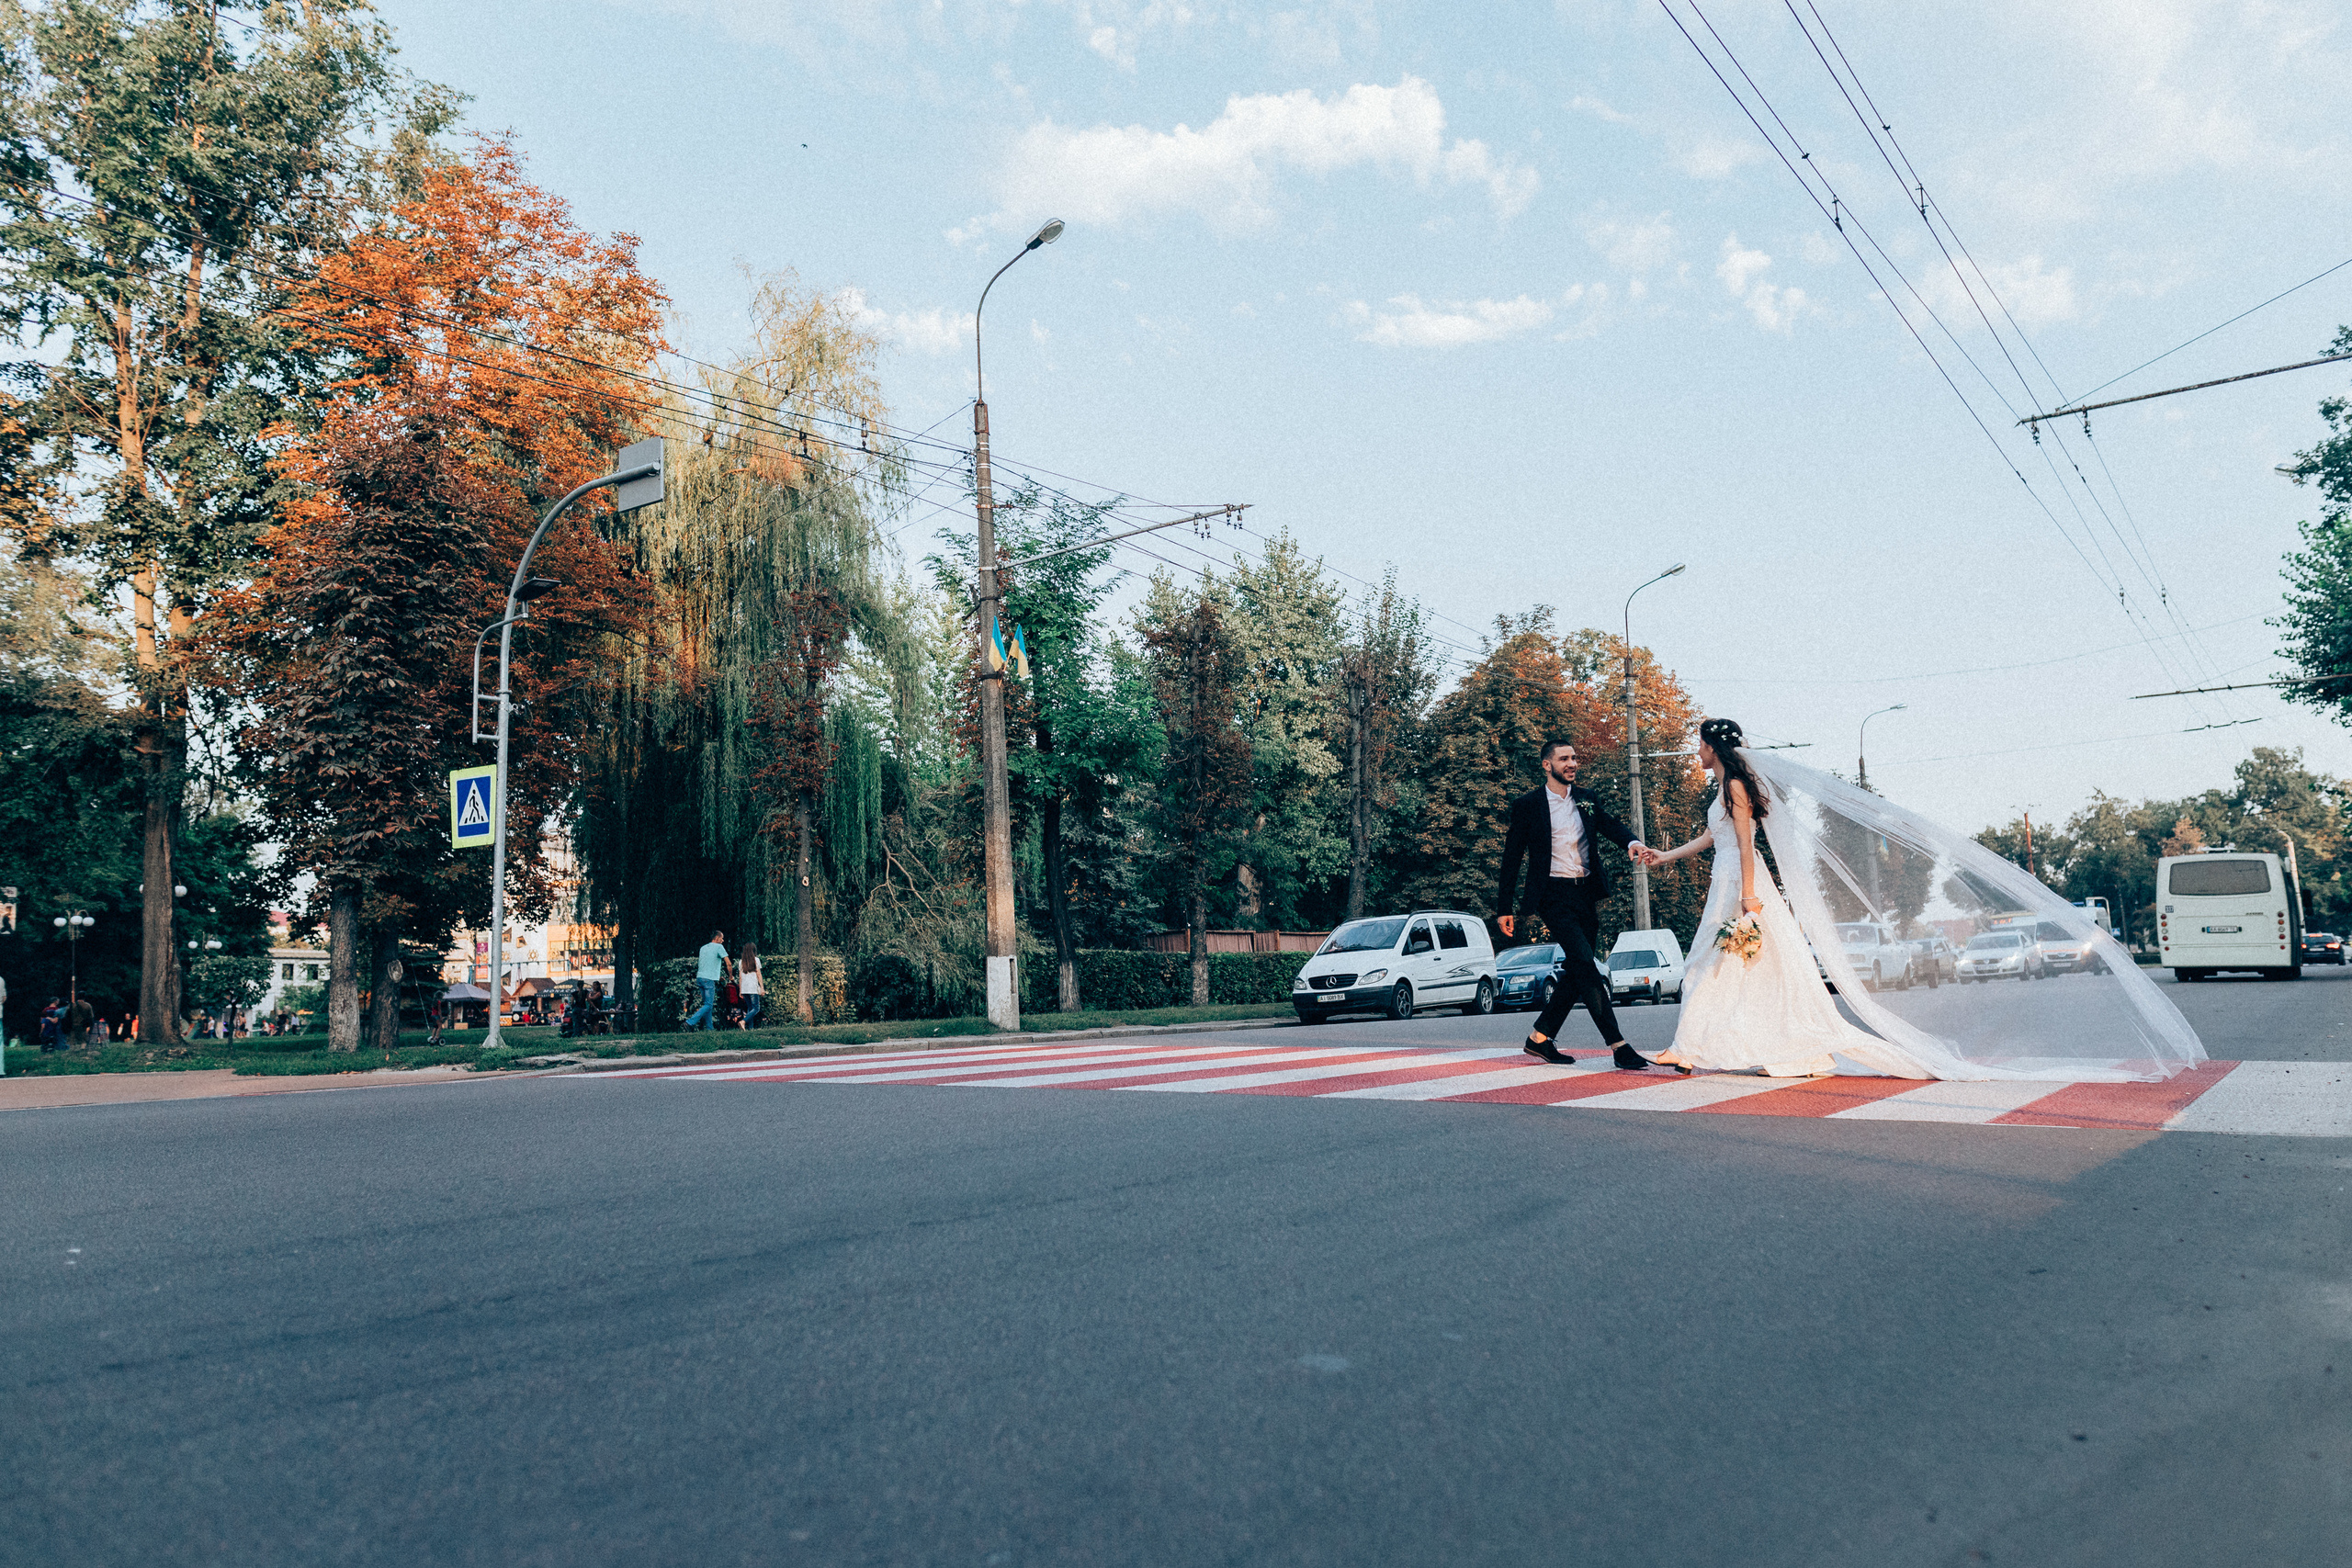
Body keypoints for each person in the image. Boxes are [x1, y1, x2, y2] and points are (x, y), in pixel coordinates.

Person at [1641, 717, 2208, 1082]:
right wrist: (1664, 857)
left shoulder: (1736, 786)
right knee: (1744, 966)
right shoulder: (1724, 788)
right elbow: (1715, 837)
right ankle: (1776, 1047)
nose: (1696, 752)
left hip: (1741, 885)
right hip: (1729, 879)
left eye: (1699, 744)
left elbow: (1744, 844)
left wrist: (1749, 898)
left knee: (1709, 960)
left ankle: (1691, 1047)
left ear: (1713, 746)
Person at [1496, 738, 1655, 1070]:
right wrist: (1504, 908)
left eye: (1574, 758)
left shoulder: (1586, 798)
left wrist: (1632, 842)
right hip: (1552, 895)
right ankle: (1619, 1045)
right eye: (1564, 759)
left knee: (1577, 969)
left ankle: (1540, 1037)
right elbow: (1512, 858)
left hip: (1585, 894)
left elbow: (1609, 824)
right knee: (1585, 963)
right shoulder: (1528, 805)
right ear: (1547, 765)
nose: (1572, 764)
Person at [684, 930, 726, 1030]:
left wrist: (717, 977)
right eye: (722, 938)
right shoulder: (719, 947)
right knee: (708, 1005)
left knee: (708, 1005)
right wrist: (731, 976)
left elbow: (706, 964)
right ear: (717, 938)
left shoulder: (703, 948)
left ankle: (710, 1029)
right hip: (708, 980)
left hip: (700, 978)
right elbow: (728, 963)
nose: (723, 940)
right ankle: (690, 1022)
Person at [737, 943, 764, 1028]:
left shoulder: (741, 962)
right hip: (753, 988)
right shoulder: (756, 960)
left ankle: (750, 1028)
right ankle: (743, 1021)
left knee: (750, 1008)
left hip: (744, 988)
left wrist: (740, 990)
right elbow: (759, 975)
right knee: (756, 1008)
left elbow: (740, 977)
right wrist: (762, 988)